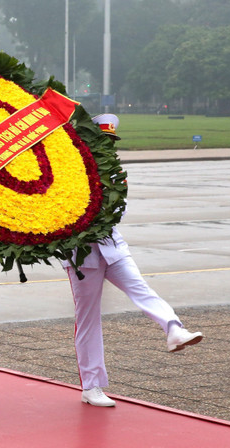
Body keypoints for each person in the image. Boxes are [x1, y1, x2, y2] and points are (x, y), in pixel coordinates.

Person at [63, 113, 203, 408]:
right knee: (88, 320)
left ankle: (173, 329)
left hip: (112, 246)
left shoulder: (115, 173)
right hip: (82, 255)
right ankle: (91, 386)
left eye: (111, 141)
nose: (108, 147)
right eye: (103, 140)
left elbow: (117, 212)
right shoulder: (69, 170)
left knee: (140, 288)